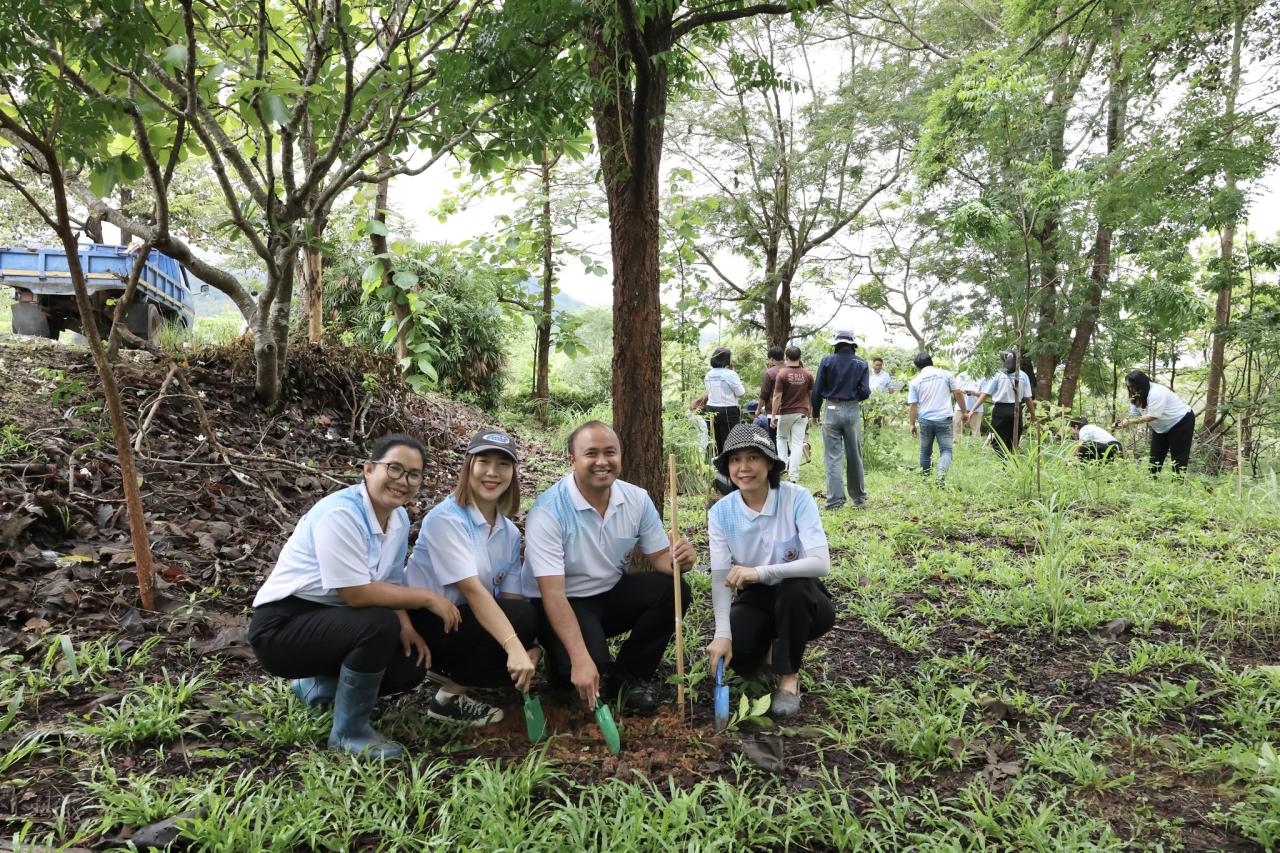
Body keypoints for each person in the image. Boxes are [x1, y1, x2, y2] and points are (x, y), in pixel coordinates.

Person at [248, 434, 461, 758]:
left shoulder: (398, 518)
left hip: (332, 621)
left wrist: (405, 625)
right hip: (282, 627)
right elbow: (357, 594)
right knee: (377, 624)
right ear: (368, 469)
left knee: (409, 664)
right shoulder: (341, 514)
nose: (403, 480)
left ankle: (315, 688)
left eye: (413, 474)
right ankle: (349, 734)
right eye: (394, 468)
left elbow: (387, 580)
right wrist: (427, 599)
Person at [526, 421, 697, 714]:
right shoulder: (548, 511)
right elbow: (552, 594)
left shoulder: (636, 499)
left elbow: (659, 557)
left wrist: (681, 559)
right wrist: (580, 658)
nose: (602, 462)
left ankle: (628, 677)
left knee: (674, 589)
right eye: (591, 453)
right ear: (573, 460)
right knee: (580, 669)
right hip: (564, 600)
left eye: (610, 452)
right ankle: (561, 661)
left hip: (609, 593)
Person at [404, 429, 540, 727]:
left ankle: (458, 669)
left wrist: (531, 646)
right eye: (484, 462)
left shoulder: (509, 532)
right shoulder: (447, 518)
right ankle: (447, 699)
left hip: (465, 622)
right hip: (426, 624)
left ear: (513, 473)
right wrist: (514, 647)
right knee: (516, 629)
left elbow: (512, 599)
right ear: (469, 466)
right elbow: (473, 590)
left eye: (503, 464)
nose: (492, 472)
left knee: (528, 616)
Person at [705, 424, 835, 719]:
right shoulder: (721, 513)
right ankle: (773, 651)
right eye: (735, 460)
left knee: (793, 586)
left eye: (753, 458)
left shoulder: (795, 498)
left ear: (769, 463)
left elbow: (820, 562)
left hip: (803, 596)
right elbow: (720, 578)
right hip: (757, 597)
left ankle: (789, 677)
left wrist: (759, 572)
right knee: (741, 657)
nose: (743, 468)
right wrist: (722, 633)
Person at [811, 330, 871, 509]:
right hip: (852, 409)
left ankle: (835, 501)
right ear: (853, 344)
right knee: (854, 455)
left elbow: (817, 389)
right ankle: (859, 499)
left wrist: (815, 412)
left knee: (832, 457)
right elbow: (866, 391)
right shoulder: (862, 363)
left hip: (831, 408)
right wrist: (853, 398)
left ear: (836, 344)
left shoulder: (827, 361)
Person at [1114, 370, 1195, 474]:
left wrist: (1129, 422)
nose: (1131, 389)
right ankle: (1152, 481)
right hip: (1160, 427)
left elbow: (1153, 416)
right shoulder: (1136, 397)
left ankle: (1178, 484)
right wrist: (1122, 423)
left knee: (1178, 457)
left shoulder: (1156, 392)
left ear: (1141, 384)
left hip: (1180, 421)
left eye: (1133, 386)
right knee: (1155, 456)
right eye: (1129, 386)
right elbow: (1134, 415)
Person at [907, 352, 969, 483]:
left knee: (925, 451)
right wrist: (964, 412)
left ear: (917, 367)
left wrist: (911, 424)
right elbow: (957, 393)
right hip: (944, 419)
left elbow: (913, 405)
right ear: (931, 362)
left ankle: (925, 479)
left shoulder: (915, 381)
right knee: (946, 450)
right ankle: (940, 476)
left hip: (925, 420)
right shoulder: (946, 374)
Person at [970, 352, 1036, 458]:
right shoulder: (1023, 376)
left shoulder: (998, 375)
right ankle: (1008, 460)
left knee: (996, 438)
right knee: (1013, 438)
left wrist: (972, 410)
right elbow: (1028, 398)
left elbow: (985, 394)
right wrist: (1033, 416)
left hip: (1000, 410)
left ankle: (1004, 460)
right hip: (1016, 410)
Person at [771, 346, 814, 482]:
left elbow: (777, 396)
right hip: (802, 413)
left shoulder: (782, 374)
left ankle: (783, 465)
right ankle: (794, 475)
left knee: (781, 438)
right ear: (800, 357)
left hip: (786, 412)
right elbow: (811, 395)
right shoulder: (807, 374)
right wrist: (811, 412)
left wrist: (773, 415)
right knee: (797, 443)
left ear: (786, 357)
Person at [704, 347, 746, 457]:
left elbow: (709, 392)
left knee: (713, 440)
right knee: (730, 440)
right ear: (726, 359)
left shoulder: (708, 374)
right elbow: (741, 393)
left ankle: (713, 466)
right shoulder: (730, 374)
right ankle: (728, 467)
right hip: (728, 410)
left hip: (710, 409)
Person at [756, 345, 785, 418]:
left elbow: (764, 394)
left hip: (774, 413)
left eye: (768, 359)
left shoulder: (769, 372)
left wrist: (758, 410)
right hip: (791, 411)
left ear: (772, 359)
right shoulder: (791, 370)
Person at [952, 373, 983, 439]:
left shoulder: (982, 376)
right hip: (960, 407)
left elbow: (985, 393)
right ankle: (956, 447)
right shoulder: (961, 375)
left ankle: (976, 447)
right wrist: (962, 391)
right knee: (956, 430)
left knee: (976, 432)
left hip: (977, 407)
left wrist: (974, 393)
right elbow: (955, 390)